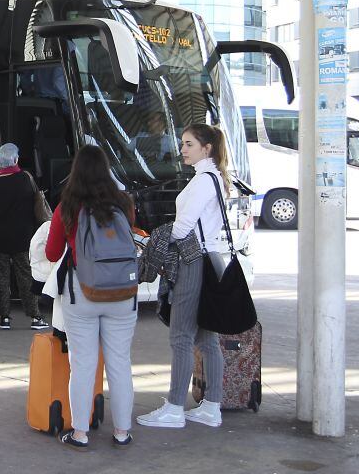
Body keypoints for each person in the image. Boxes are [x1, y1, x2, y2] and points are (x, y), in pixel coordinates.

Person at [137, 123, 231, 429]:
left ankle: (175, 408)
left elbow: (183, 227)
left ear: (207, 148)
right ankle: (211, 406)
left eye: (188, 144)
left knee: (181, 336)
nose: (182, 149)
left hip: (193, 261)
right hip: (211, 259)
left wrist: (152, 240)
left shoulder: (204, 180)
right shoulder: (215, 178)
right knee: (207, 338)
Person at [45, 145, 137, 449]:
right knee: (120, 364)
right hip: (123, 294)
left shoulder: (67, 206)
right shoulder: (123, 203)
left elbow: (52, 252)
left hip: (82, 293)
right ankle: (122, 431)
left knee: (83, 363)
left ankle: (80, 433)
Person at [0, 143, 49, 331]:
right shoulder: (25, 178)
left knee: (2, 278)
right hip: (24, 238)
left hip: (0, 239)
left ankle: (4, 317)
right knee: (25, 277)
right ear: (15, 159)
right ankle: (35, 317)